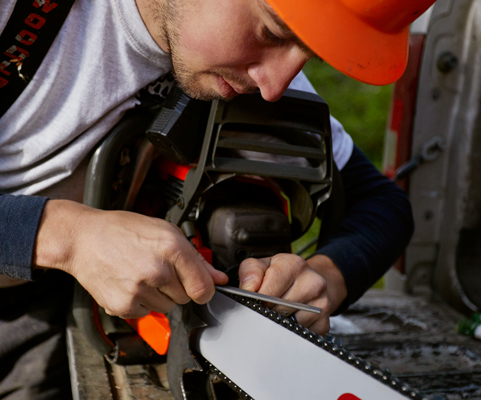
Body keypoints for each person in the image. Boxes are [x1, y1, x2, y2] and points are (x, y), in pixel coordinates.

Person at [0, 0, 435, 398]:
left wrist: (324, 279)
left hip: (42, 309)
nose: (275, 85)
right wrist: (69, 236)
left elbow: (382, 205)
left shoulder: (251, 76)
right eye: (274, 32)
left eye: (309, 53)